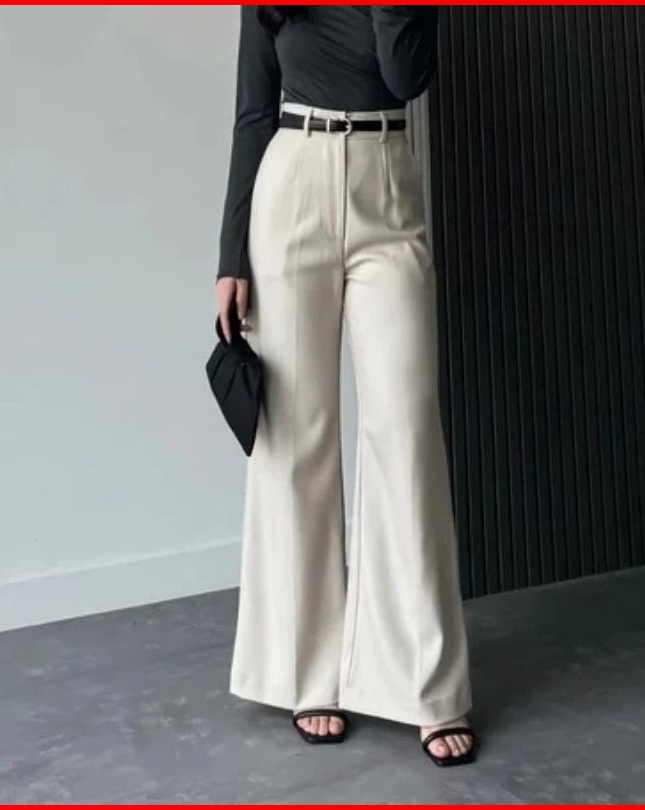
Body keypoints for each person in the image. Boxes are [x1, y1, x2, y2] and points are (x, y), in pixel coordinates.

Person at [214, 4, 476, 767]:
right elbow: (253, 111)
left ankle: (427, 685)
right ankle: (310, 673)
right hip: (291, 182)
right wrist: (230, 258)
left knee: (407, 430)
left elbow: (406, 77)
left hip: (387, 183)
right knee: (297, 437)